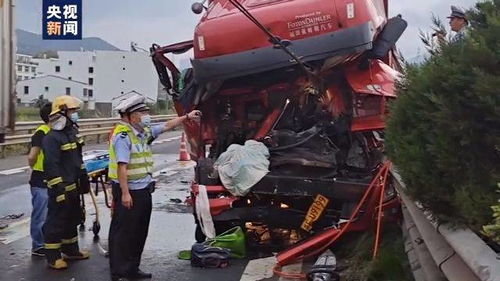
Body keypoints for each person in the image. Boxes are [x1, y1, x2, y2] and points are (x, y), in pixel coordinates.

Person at [108, 94, 201, 281]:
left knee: (139, 230)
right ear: (130, 115)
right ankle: (119, 271)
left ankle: (133, 268)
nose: (145, 115)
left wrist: (186, 116)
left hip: (143, 190)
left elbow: (166, 126)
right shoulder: (123, 136)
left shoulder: (142, 133)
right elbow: (121, 167)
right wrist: (125, 194)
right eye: (142, 112)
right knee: (124, 232)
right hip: (129, 191)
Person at [42, 96, 90, 269]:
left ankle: (71, 250)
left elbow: (78, 159)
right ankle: (53, 256)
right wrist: (58, 188)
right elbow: (51, 165)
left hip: (73, 185)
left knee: (72, 219)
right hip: (60, 188)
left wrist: (84, 177)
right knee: (56, 221)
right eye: (72, 111)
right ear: (62, 113)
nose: (75, 114)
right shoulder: (52, 138)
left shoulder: (72, 134)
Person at [27, 103, 52, 257]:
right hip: (40, 178)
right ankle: (38, 245)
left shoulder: (53, 131)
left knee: (50, 213)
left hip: (51, 177)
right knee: (40, 213)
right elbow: (32, 156)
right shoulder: (42, 132)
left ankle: (47, 241)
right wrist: (36, 167)